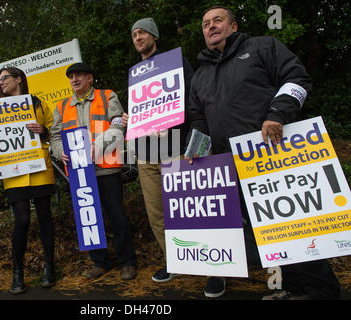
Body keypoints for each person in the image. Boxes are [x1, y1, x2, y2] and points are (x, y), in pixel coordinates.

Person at [186, 6, 341, 299]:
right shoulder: (200, 74)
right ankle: (290, 289)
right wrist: (197, 149)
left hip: (275, 156)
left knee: (295, 229)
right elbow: (197, 118)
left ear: (233, 26)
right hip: (230, 165)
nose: (211, 27)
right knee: (265, 235)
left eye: (217, 20)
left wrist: (278, 113)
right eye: (205, 24)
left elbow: (297, 78)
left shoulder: (263, 46)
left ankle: (323, 292)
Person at [0, 67, 56, 294]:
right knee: (22, 221)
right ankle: (17, 273)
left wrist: (43, 130)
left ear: (18, 79)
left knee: (45, 218)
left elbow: (54, 129)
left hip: (40, 167)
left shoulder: (38, 103)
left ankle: (49, 267)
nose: (1, 83)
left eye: (4, 78)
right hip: (14, 172)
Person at [122, 17, 194, 282]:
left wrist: (182, 128)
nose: (138, 38)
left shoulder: (175, 62)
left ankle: (201, 258)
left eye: (142, 33)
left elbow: (192, 98)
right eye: (134, 35)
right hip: (145, 152)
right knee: (156, 213)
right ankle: (173, 260)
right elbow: (139, 110)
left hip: (174, 146)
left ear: (154, 36)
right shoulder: (134, 73)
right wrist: (130, 119)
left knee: (184, 208)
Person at [50, 62, 137, 280]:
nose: (74, 79)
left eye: (79, 75)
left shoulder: (107, 96)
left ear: (90, 79)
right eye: (71, 76)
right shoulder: (61, 107)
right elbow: (54, 137)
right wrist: (61, 152)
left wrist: (97, 145)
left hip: (106, 168)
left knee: (117, 217)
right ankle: (100, 262)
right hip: (79, 173)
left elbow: (118, 125)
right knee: (89, 218)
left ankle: (127, 261)